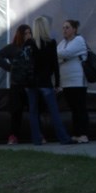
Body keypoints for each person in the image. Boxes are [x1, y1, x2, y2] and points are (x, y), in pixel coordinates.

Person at [24, 16, 73, 146]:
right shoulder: (51, 43)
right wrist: (57, 83)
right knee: (54, 112)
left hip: (31, 83)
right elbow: (55, 65)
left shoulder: (29, 43)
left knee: (33, 112)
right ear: (46, 27)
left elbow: (25, 64)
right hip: (45, 82)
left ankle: (37, 140)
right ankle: (63, 138)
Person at [0, 24, 33, 144]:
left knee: (34, 109)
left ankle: (36, 135)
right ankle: (13, 135)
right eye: (25, 33)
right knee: (16, 111)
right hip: (16, 84)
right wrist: (10, 67)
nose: (28, 36)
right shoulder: (13, 48)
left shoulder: (32, 47)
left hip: (30, 84)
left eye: (30, 33)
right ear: (20, 34)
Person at [57, 19, 90, 144]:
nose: (64, 30)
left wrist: (63, 57)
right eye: (63, 27)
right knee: (74, 109)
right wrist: (63, 57)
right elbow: (58, 55)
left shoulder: (79, 40)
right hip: (66, 82)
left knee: (80, 108)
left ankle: (84, 134)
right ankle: (76, 134)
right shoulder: (62, 42)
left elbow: (67, 53)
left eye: (67, 27)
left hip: (77, 81)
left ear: (74, 29)